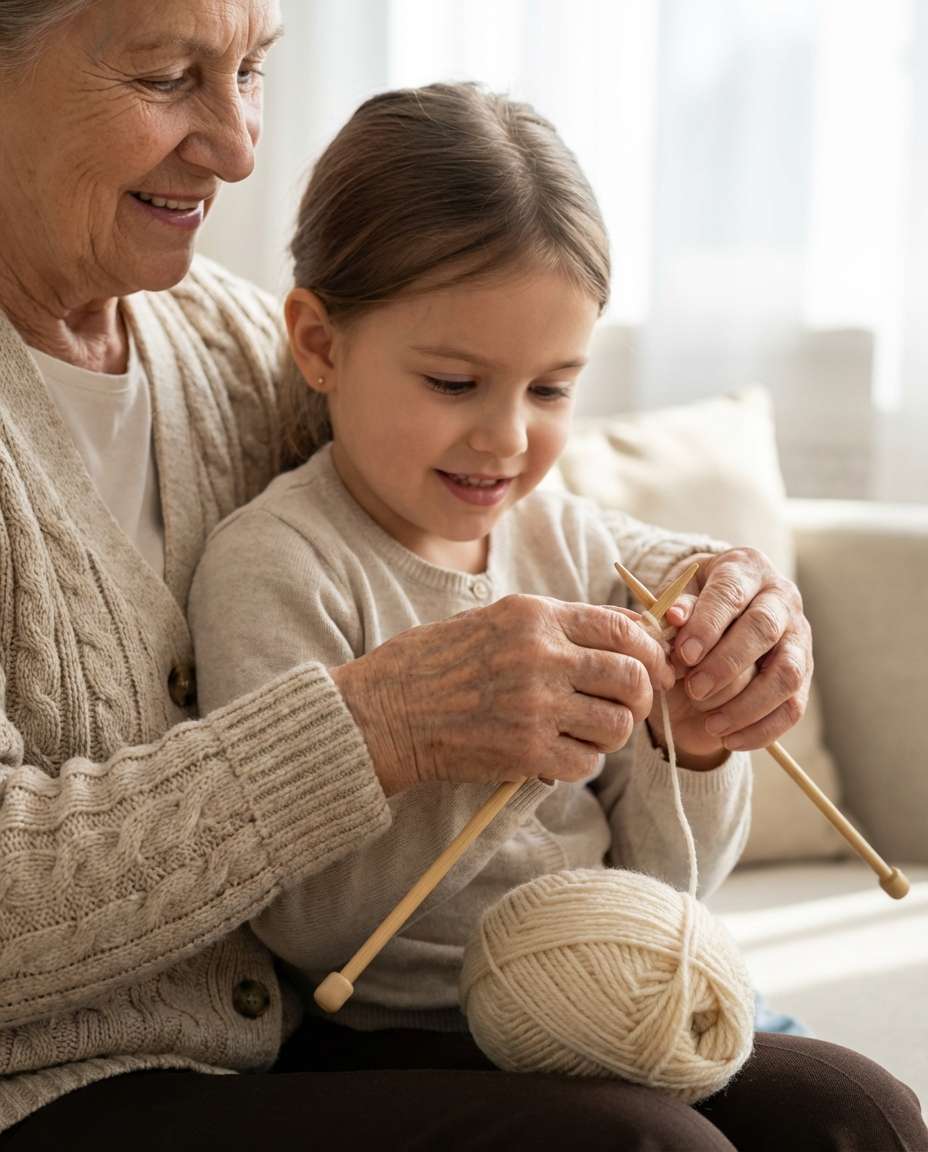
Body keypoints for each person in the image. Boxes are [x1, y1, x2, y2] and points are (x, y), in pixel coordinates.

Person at [0, 1, 922, 1149]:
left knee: (855, 1116)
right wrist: (382, 723)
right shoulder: (271, 526)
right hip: (63, 1079)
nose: (238, 149)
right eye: (164, 76)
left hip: (313, 1039)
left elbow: (495, 512)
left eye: (251, 70)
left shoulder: (220, 343)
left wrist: (712, 603)